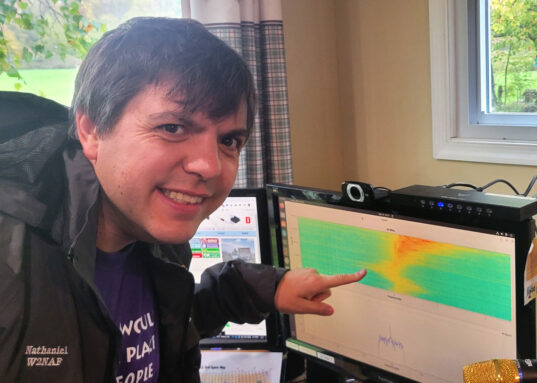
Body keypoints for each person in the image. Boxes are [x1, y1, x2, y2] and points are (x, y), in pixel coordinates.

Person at [0, 17, 365, 383]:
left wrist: (264, 289)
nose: (208, 166)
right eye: (172, 128)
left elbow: (157, 324)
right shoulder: (11, 257)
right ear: (91, 130)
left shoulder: (151, 232)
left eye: (229, 141)